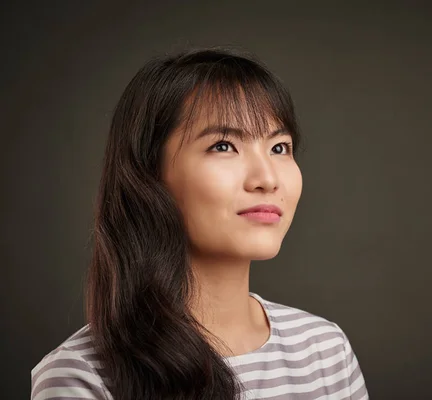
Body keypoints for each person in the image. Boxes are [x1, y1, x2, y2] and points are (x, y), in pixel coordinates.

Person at [30, 48, 369, 400]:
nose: (267, 179)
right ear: (149, 174)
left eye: (280, 147)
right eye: (223, 146)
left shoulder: (325, 350)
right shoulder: (82, 377)